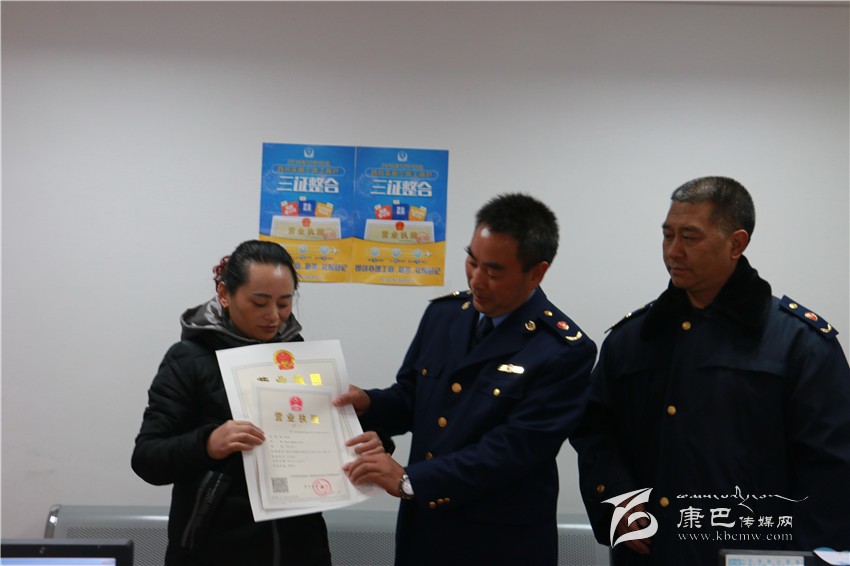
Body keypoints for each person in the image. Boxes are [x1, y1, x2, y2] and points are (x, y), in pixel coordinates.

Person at [571, 177, 850, 565]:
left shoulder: (800, 344)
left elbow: (832, 472)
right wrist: (618, 497)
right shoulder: (633, 338)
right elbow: (594, 429)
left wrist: (799, 559)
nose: (673, 251)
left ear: (736, 243)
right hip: (652, 553)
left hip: (754, 555)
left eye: (690, 237)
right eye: (667, 235)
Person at [335, 193, 597, 566]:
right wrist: (368, 402)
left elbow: (513, 450)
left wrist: (411, 480)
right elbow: (412, 397)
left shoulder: (562, 350)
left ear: (536, 273)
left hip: (499, 543)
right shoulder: (445, 315)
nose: (476, 280)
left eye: (493, 271)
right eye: (471, 261)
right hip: (425, 532)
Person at [131, 240, 383, 566]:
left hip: (302, 547)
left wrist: (369, 441)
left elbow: (325, 434)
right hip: (212, 551)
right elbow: (147, 458)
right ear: (225, 294)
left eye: (284, 303)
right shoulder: (188, 359)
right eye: (259, 302)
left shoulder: (301, 357)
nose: (273, 316)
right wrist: (208, 444)